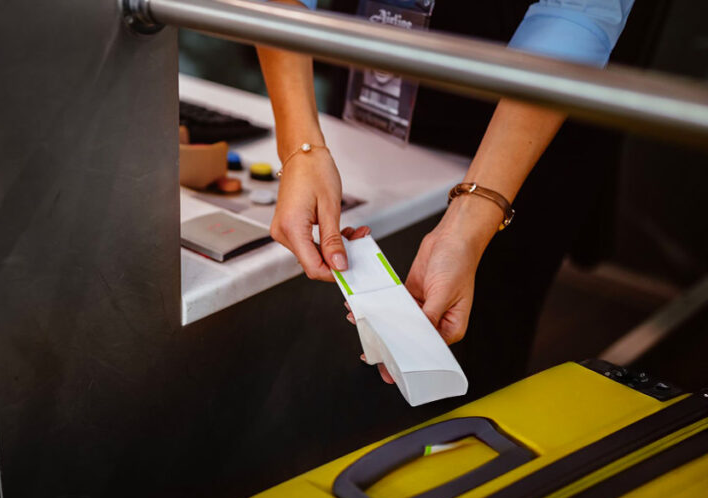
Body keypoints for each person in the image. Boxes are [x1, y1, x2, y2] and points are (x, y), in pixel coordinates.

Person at [258, 0, 634, 392]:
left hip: (526, 118)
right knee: (347, 349)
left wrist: (468, 227)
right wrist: (301, 147)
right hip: (374, 70)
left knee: (481, 342)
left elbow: (576, 17)